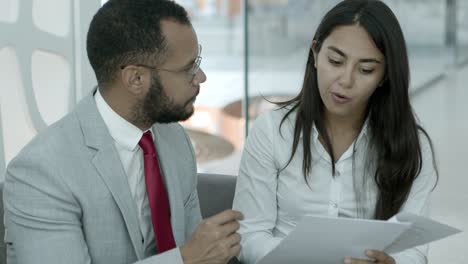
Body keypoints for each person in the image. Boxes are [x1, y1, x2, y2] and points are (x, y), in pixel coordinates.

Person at [3, 1, 243, 263]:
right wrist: (185, 259)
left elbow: (197, 247)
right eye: (188, 69)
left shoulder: (174, 138)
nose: (201, 77)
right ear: (136, 79)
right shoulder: (42, 171)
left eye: (197, 62)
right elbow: (193, 254)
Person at [232, 0, 438, 263]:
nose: (345, 80)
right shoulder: (272, 132)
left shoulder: (411, 145)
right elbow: (249, 237)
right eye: (336, 61)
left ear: (384, 76)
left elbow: (414, 250)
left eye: (366, 69)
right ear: (315, 52)